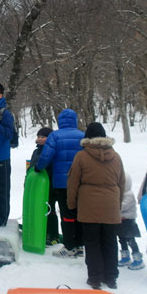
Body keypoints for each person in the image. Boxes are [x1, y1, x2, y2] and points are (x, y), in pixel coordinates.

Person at [67, 122, 125, 290]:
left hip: (88, 205)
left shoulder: (81, 156)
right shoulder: (116, 156)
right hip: (111, 205)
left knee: (92, 242)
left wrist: (71, 203)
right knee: (110, 241)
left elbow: (73, 182)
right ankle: (111, 277)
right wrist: (117, 204)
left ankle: (95, 278)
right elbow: (121, 182)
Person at [35, 108, 85, 257]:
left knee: (66, 214)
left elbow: (46, 156)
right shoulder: (82, 136)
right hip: (80, 183)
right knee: (79, 214)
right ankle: (80, 245)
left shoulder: (55, 136)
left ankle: (69, 246)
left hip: (62, 183)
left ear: (60, 121)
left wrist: (38, 167)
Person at [27, 127, 59, 245]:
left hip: (49, 186)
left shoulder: (51, 151)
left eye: (43, 137)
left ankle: (53, 235)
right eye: (39, 136)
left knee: (50, 209)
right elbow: (31, 167)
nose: (40, 139)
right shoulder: (36, 151)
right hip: (35, 187)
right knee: (38, 209)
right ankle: (42, 233)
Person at [0, 82, 15, 227]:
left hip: (1, 158)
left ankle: (2, 217)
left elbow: (9, 134)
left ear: (1, 94)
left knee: (2, 189)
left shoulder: (4, 113)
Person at [118, 173, 145, 270]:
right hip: (120, 221)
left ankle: (138, 258)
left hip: (128, 221)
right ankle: (125, 256)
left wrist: (113, 205)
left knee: (130, 240)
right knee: (122, 240)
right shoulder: (119, 194)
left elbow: (123, 206)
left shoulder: (129, 194)